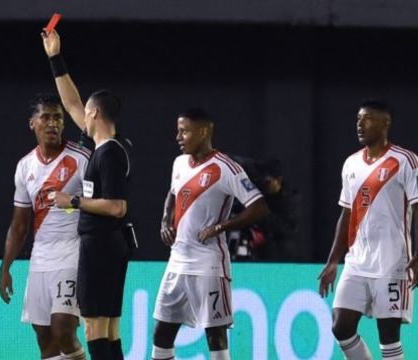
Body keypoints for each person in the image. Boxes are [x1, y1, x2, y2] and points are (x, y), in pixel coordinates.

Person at [42, 30, 132, 360]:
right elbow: (70, 101)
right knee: (108, 329)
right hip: (111, 246)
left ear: (94, 114)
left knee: (94, 327)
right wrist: (55, 57)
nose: (80, 114)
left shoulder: (108, 153)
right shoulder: (109, 146)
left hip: (102, 245)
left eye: (86, 111)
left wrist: (73, 201)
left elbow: (117, 206)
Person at [152, 108, 269, 360]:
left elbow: (259, 207)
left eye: (184, 131)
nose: (178, 137)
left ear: (203, 131)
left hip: (209, 265)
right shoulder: (179, 163)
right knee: (162, 331)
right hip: (177, 263)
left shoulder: (226, 168)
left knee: (215, 335)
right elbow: (172, 193)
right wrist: (165, 220)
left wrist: (220, 227)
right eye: (178, 131)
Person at [318, 99, 418, 360]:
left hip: (393, 262)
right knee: (341, 326)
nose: (360, 124)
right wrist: (333, 261)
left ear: (385, 123)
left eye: (368, 119)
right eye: (358, 119)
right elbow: (346, 213)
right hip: (357, 262)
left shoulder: (405, 160)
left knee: (388, 336)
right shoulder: (351, 163)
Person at [0, 94, 89, 360]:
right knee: (45, 340)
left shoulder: (82, 159)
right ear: (32, 123)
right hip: (40, 259)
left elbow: (101, 207)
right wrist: (5, 267)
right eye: (46, 117)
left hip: (73, 254)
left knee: (63, 329)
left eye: (58, 117)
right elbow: (18, 225)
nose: (53, 123)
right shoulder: (25, 166)